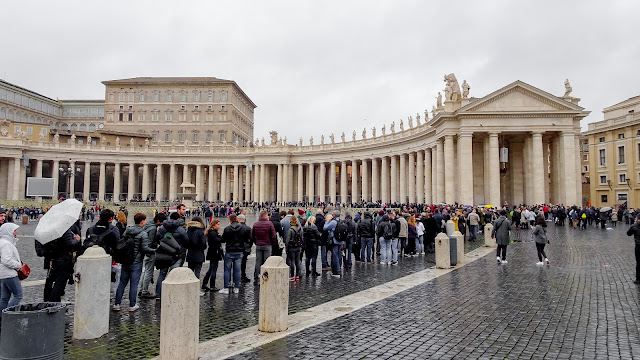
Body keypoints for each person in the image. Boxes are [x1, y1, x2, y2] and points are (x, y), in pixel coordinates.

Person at [113, 213, 151, 312]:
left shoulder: (127, 230)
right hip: (136, 262)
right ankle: (132, 305)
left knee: (122, 283)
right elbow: (145, 248)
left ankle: (117, 304)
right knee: (134, 284)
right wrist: (154, 250)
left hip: (126, 260)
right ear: (142, 221)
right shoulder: (143, 234)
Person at [154, 212, 189, 300]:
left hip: (165, 253)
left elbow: (157, 237)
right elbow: (186, 241)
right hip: (177, 254)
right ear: (178, 219)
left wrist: (163, 243)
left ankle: (158, 294)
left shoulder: (163, 228)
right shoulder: (180, 229)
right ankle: (172, 294)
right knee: (174, 274)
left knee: (162, 274)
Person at [220, 214, 251, 294]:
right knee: (237, 270)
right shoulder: (242, 228)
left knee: (227, 270)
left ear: (230, 220)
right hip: (239, 251)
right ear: (237, 219)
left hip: (229, 251)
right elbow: (247, 239)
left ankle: (226, 288)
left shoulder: (227, 229)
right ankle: (236, 287)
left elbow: (223, 240)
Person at [139, 212, 166, 298]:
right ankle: (144, 291)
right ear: (158, 221)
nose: (162, 224)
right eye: (161, 222)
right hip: (150, 252)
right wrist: (154, 250)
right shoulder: (153, 228)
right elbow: (150, 242)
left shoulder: (148, 225)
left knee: (146, 271)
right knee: (149, 272)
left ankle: (141, 289)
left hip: (145, 251)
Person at [0, 223, 22, 314]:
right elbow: (6, 260)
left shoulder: (2, 241)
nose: (16, 232)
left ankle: (2, 317)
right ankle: (7, 314)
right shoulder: (6, 244)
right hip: (9, 274)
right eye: (14, 230)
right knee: (18, 295)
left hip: (3, 274)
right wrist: (18, 265)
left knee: (4, 298)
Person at [251, 210, 276, 282]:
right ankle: (266, 276)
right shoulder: (269, 223)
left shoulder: (255, 224)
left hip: (258, 245)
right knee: (267, 261)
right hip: (267, 244)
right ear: (266, 215)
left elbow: (252, 236)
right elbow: (273, 236)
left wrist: (256, 242)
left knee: (258, 261)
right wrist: (272, 243)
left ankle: (256, 276)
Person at [202, 219, 222, 292]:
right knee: (214, 269)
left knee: (211, 269)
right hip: (214, 253)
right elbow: (218, 241)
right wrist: (220, 236)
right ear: (214, 225)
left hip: (213, 252)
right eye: (218, 224)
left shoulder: (212, 232)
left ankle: (204, 284)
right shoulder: (213, 233)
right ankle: (212, 285)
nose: (219, 226)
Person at [324, 210, 344, 277]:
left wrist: (327, 221)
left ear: (334, 215)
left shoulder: (333, 222)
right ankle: (339, 268)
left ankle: (337, 271)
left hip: (335, 240)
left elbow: (325, 228)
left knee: (335, 256)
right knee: (339, 255)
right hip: (340, 240)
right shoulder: (341, 221)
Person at [285, 216, 303, 280]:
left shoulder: (290, 229)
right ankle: (297, 275)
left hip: (292, 247)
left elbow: (287, 240)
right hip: (298, 247)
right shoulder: (299, 228)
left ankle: (292, 275)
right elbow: (302, 238)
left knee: (292, 261)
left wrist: (286, 248)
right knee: (297, 261)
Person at [238, 214, 253, 283]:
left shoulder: (235, 227)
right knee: (244, 262)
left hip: (237, 247)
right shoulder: (248, 228)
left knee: (237, 262)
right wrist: (249, 245)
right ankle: (243, 275)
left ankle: (237, 276)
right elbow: (251, 238)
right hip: (246, 247)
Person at [627, 214, 640, 284]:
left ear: (637, 218)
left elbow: (628, 233)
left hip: (638, 246)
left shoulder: (634, 226)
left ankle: (638, 279)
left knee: (638, 262)